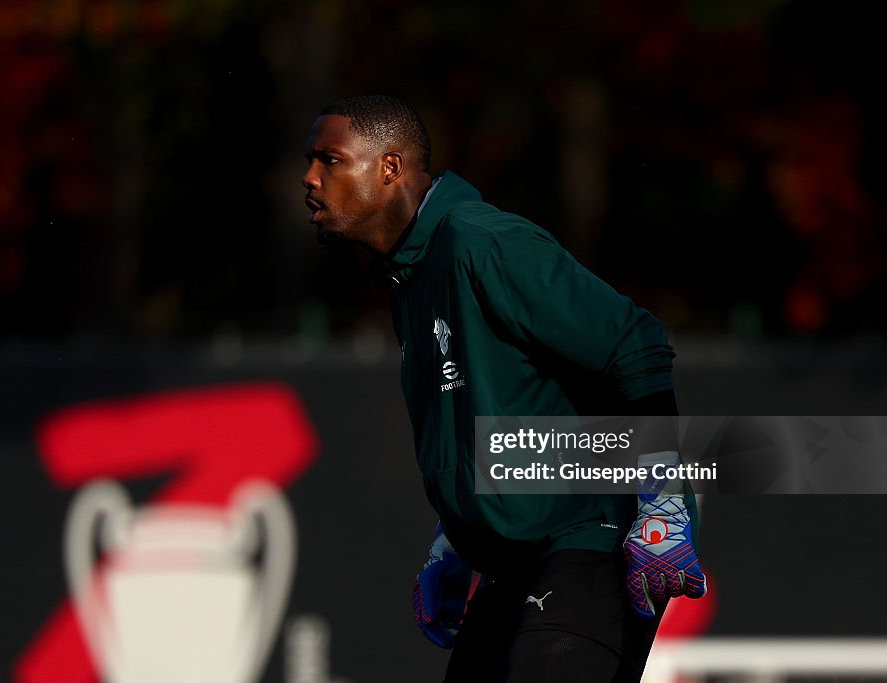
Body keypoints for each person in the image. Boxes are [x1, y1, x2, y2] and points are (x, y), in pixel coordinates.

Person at [302, 95, 706, 682]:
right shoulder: (412, 273)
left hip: (591, 531)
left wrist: (661, 499)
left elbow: (635, 342)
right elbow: (491, 416)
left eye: (328, 159)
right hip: (517, 556)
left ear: (388, 168)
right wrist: (454, 544)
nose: (309, 177)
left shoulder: (479, 241)